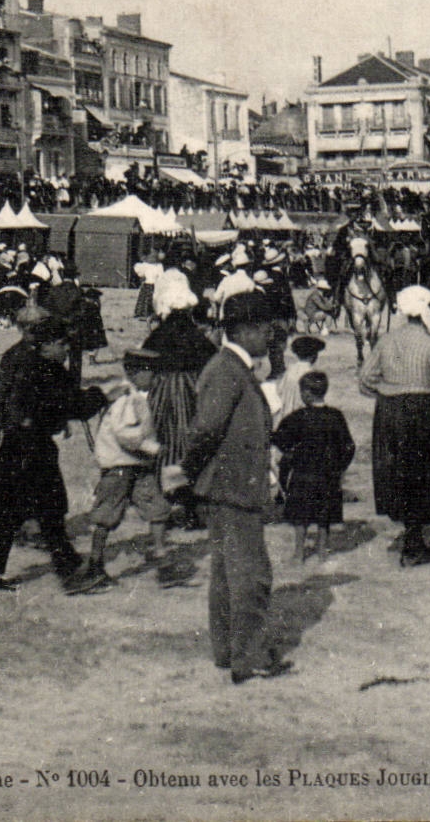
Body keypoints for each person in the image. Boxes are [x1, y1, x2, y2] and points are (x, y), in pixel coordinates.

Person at [168, 293, 293, 684]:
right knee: (251, 576)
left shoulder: (233, 366)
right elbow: (206, 429)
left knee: (226, 576)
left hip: (230, 486)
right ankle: (249, 656)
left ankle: (228, 651)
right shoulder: (226, 370)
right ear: (245, 331)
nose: (270, 337)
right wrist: (187, 470)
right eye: (266, 330)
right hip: (234, 487)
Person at [0, 318, 108, 591]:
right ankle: (69, 573)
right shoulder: (45, 370)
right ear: (46, 346)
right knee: (47, 513)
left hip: (20, 446)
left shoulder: (37, 366)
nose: (65, 349)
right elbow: (72, 405)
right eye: (61, 344)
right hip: (31, 448)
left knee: (13, 514)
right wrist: (100, 396)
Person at [361, 285, 430, 568]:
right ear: (425, 310)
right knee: (424, 476)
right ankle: (414, 544)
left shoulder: (385, 341)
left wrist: (389, 392)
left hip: (388, 414)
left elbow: (365, 380)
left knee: (396, 474)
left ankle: (412, 536)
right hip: (422, 415)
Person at [68, 349, 170, 593]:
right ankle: (95, 563)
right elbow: (125, 435)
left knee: (156, 507)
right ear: (135, 373)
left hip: (137, 465)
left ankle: (162, 558)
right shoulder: (127, 398)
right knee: (107, 513)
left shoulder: (134, 395)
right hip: (120, 466)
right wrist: (154, 449)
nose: (155, 377)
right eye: (150, 372)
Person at [144, 274, 220, 531]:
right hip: (191, 394)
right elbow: (213, 363)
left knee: (162, 446)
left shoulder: (158, 334)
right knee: (192, 447)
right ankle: (191, 507)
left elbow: (144, 362)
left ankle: (162, 507)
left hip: (162, 394)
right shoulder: (197, 336)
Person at [273, 370, 355, 563]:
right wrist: (340, 466)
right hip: (328, 475)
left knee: (300, 515)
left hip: (303, 474)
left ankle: (299, 552)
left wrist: (288, 453)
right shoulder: (335, 416)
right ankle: (322, 550)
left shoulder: (298, 417)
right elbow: (349, 446)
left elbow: (281, 439)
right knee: (324, 514)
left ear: (307, 393)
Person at [273, 335, 325, 426]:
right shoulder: (311, 374)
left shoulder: (289, 371)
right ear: (314, 355)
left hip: (285, 419)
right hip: (302, 421)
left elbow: (279, 392)